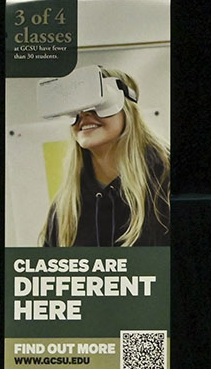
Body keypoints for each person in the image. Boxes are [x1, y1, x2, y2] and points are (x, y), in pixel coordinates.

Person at [39, 67, 170, 246]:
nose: (84, 115)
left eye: (99, 103)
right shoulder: (65, 208)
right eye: (76, 108)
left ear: (128, 108)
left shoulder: (166, 183)